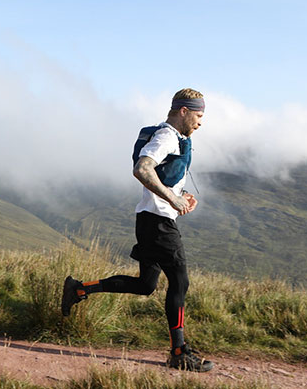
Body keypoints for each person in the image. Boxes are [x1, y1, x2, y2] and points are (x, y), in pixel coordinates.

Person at [61, 88, 213, 372]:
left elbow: (160, 175)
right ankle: (179, 353)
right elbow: (143, 169)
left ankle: (79, 289)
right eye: (199, 115)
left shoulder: (174, 137)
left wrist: (181, 194)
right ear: (183, 111)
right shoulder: (167, 136)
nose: (201, 122)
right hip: (158, 224)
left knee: (146, 285)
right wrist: (173, 199)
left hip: (149, 219)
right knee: (180, 282)